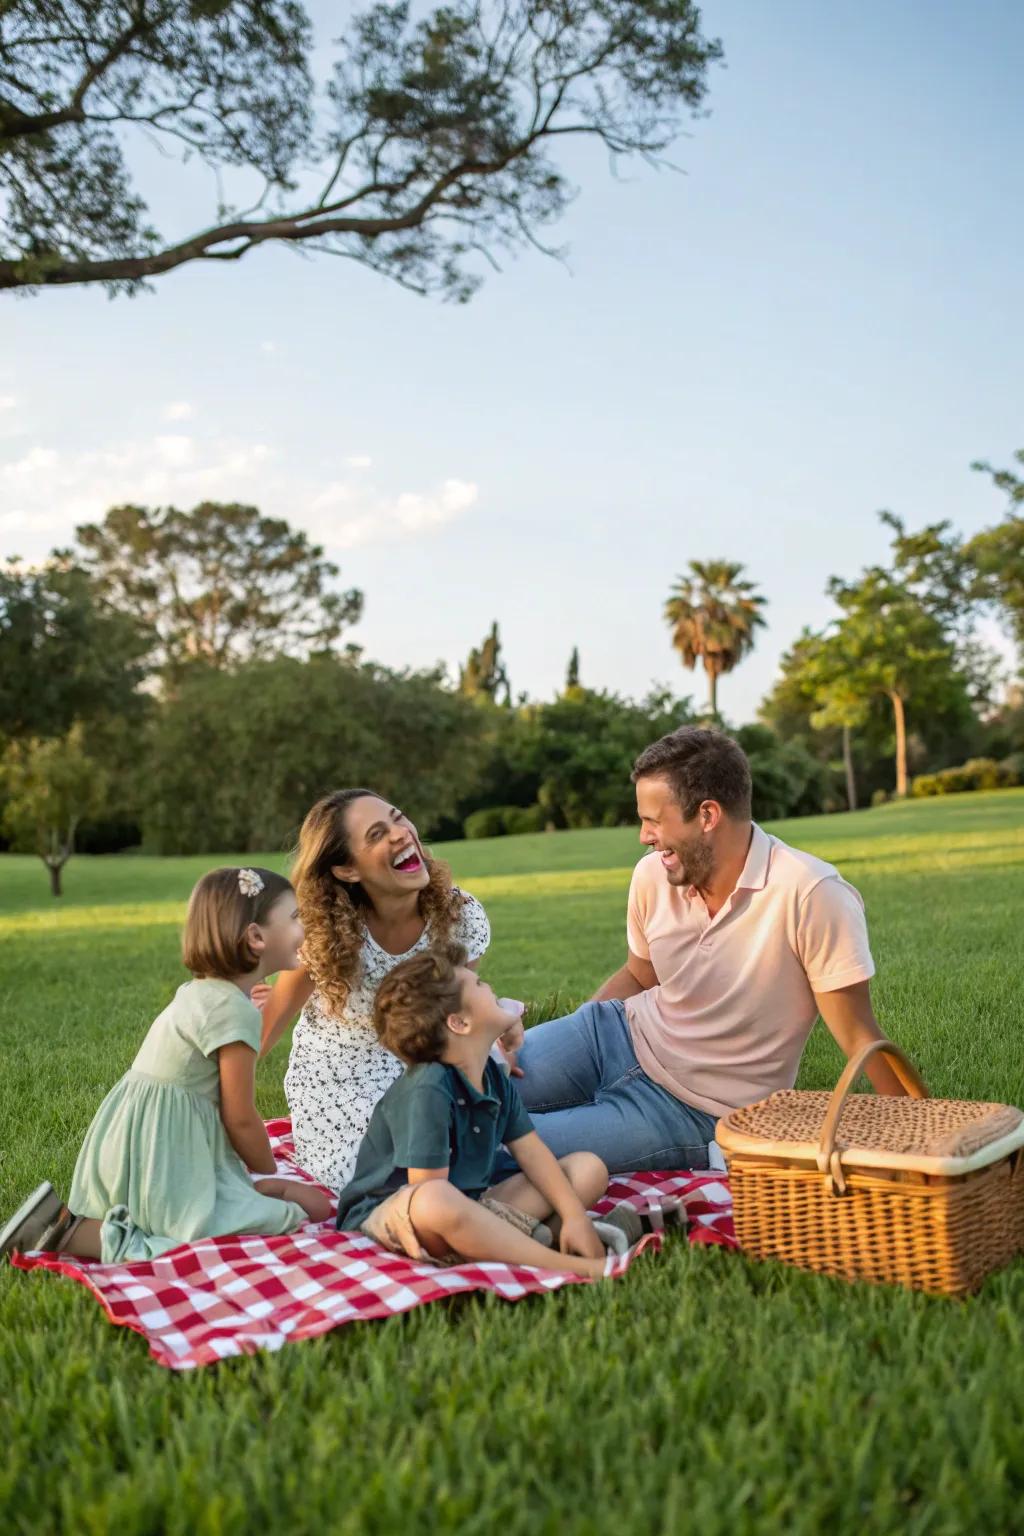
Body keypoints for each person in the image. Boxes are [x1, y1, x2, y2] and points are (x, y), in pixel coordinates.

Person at [513, 726, 908, 1173]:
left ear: (707, 815)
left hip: (690, 1110)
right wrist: (573, 1039)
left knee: (503, 1149)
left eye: (653, 821)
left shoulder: (810, 893)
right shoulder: (651, 876)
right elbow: (642, 977)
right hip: (611, 1035)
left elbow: (860, 1038)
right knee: (465, 1087)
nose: (644, 836)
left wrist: (922, 1138)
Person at [0, 867, 331, 1264]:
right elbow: (240, 1116)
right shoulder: (235, 1012)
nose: (305, 925)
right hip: (166, 1152)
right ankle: (65, 1235)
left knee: (266, 1204)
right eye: (295, 917)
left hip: (130, 1140)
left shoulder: (203, 992)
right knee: (237, 1231)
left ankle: (71, 1223)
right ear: (257, 937)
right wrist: (268, 1171)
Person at [258, 789, 520, 1192]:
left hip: (427, 1071)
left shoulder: (458, 915)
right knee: (396, 1176)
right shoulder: (323, 936)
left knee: (484, 1151)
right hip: (342, 1089)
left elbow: (457, 1012)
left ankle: (498, 1211)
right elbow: (261, 1034)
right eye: (377, 834)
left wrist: (492, 1044)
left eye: (399, 818)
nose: (400, 833)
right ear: (347, 870)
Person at [336, 944, 611, 1278]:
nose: (489, 986)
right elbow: (426, 1193)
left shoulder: (492, 1075)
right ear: (460, 1022)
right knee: (435, 1199)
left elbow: (533, 1152)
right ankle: (569, 1263)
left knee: (588, 1169)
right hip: (392, 1217)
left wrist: (575, 1218)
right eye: (478, 985)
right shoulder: (429, 1087)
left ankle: (515, 1244)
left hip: (469, 1206)